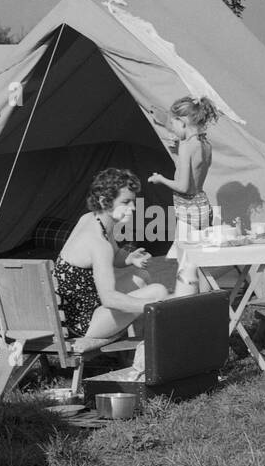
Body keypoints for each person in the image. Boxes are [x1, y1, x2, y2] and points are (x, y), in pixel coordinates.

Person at [54, 169, 168, 350]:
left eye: (133, 201)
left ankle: (145, 346)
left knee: (140, 275)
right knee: (159, 293)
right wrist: (155, 307)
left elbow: (114, 256)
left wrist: (130, 258)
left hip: (73, 311)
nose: (133, 207)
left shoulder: (91, 219)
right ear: (104, 201)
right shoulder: (99, 244)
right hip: (82, 325)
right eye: (125, 202)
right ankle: (156, 351)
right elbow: (109, 299)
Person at [147, 96, 218, 295]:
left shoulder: (188, 147)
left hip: (188, 207)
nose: (173, 129)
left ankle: (185, 301)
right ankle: (207, 302)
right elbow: (197, 173)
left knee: (186, 262)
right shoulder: (205, 144)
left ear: (183, 122)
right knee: (199, 261)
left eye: (174, 123)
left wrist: (161, 179)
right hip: (201, 205)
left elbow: (184, 186)